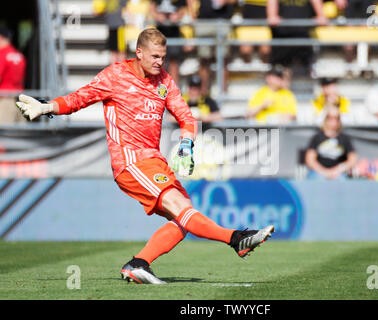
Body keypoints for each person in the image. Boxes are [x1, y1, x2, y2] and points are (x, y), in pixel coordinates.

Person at [15, 28, 274, 284]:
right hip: (130, 160)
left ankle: (138, 264)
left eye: (162, 57)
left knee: (183, 219)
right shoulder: (115, 75)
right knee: (182, 208)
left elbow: (186, 117)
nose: (160, 62)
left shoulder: (164, 80)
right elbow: (80, 99)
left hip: (153, 160)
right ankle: (237, 239)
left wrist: (186, 144)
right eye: (154, 57)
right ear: (139, 52)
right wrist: (46, 107)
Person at [267, 0, 328, 80]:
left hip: (304, 36)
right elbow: (271, 17)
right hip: (282, 37)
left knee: (304, 71)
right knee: (280, 73)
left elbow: (322, 18)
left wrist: (320, 16)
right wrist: (272, 15)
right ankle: (284, 90)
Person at [187, 0, 236, 94]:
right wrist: (192, 14)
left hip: (223, 21)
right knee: (204, 59)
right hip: (204, 22)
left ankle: (223, 92)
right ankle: (204, 92)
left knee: (223, 59)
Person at [305, 107, 358, 180]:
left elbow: (352, 159)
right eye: (330, 117)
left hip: (339, 173)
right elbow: (310, 160)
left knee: (341, 180)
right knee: (318, 180)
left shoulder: (345, 138)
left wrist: (338, 170)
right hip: (318, 172)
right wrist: (324, 172)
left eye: (337, 118)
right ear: (325, 119)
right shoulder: (317, 138)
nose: (333, 121)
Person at [149, 0, 188, 84]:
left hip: (174, 32)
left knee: (174, 63)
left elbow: (183, 8)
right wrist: (157, 16)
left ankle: (174, 89)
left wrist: (177, 16)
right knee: (159, 61)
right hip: (160, 33)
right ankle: (159, 88)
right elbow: (151, 7)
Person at [0, 26, 26, 124]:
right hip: (20, 99)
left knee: (4, 134)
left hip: (5, 99)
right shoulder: (19, 55)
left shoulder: (2, 55)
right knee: (21, 134)